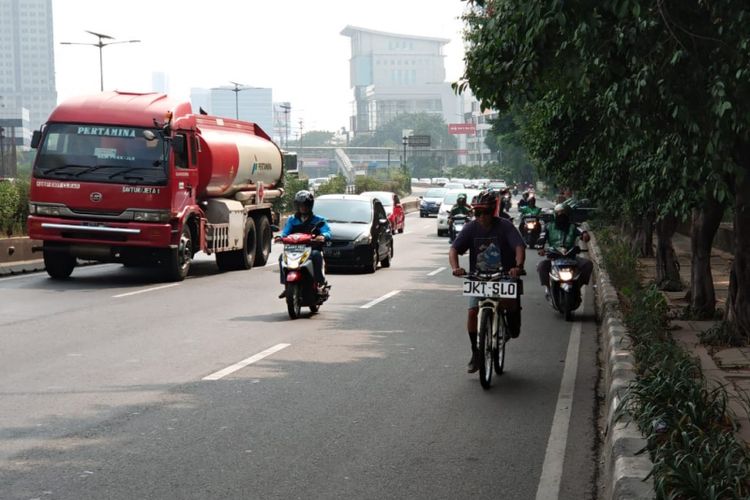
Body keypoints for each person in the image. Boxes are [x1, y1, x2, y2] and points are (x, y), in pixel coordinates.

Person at [449, 191, 526, 373]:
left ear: (492, 211)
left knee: (510, 305)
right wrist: (455, 268)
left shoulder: (505, 226)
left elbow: (519, 247)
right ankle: (476, 352)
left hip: (504, 276)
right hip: (479, 277)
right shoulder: (470, 228)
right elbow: (454, 249)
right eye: (477, 213)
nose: (481, 217)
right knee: (472, 313)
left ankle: (509, 327)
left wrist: (518, 266)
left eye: (485, 212)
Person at [277, 190, 331, 298]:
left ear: (310, 205)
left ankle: (320, 283)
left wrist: (323, 236)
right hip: (294, 250)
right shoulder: (292, 220)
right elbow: (285, 232)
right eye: (300, 205)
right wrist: (280, 237)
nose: (303, 207)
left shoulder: (319, 220)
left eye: (305, 205)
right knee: (281, 258)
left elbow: (327, 231)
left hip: (311, 250)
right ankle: (286, 286)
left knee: (316, 255)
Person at [536, 204, 593, 298]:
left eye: (564, 213)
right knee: (542, 266)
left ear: (568, 215)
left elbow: (583, 233)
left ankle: (578, 286)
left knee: (587, 264)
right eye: (559, 213)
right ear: (555, 214)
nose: (561, 215)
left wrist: (585, 235)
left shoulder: (573, 227)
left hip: (571, 257)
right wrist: (540, 247)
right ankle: (548, 288)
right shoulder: (548, 226)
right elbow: (542, 237)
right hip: (554, 257)